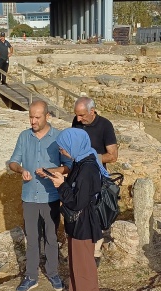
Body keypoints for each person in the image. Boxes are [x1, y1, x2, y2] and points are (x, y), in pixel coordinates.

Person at [42, 128, 105, 291]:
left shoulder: (87, 169)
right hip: (76, 223)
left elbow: (78, 202)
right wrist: (62, 181)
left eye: (63, 147)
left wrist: (61, 185)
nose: (61, 150)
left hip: (83, 225)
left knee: (84, 268)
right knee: (75, 265)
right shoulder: (81, 162)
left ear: (74, 146)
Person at [8, 101, 70, 291]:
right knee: (32, 238)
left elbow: (69, 165)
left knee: (51, 237)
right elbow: (12, 162)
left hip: (51, 196)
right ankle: (31, 276)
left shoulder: (59, 137)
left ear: (47, 117)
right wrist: (21, 170)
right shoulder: (24, 136)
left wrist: (52, 171)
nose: (33, 121)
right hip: (29, 196)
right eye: (30, 117)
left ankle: (53, 273)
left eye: (37, 117)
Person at [71, 96, 118, 266]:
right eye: (77, 115)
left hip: (97, 176)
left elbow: (113, 156)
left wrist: (90, 158)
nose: (78, 119)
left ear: (92, 111)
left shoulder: (105, 125)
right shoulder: (77, 122)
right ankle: (82, 245)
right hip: (78, 175)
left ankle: (96, 251)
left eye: (82, 115)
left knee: (97, 213)